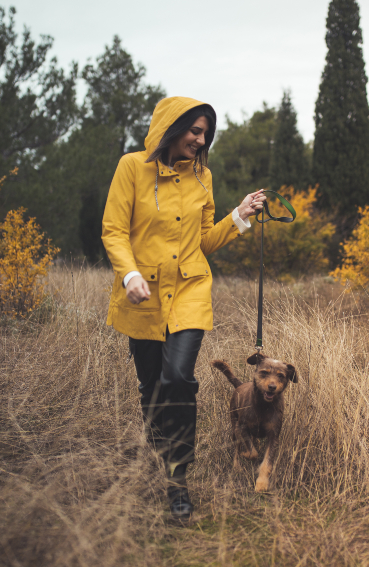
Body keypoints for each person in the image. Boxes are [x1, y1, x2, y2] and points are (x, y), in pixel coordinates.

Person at [101, 96, 265, 522]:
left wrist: (239, 217)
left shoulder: (203, 176)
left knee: (178, 377)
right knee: (152, 386)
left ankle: (178, 479)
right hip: (143, 294)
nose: (201, 138)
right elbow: (114, 230)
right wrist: (129, 274)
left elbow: (204, 242)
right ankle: (159, 457)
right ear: (170, 128)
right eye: (194, 130)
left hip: (190, 289)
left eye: (206, 132)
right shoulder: (131, 168)